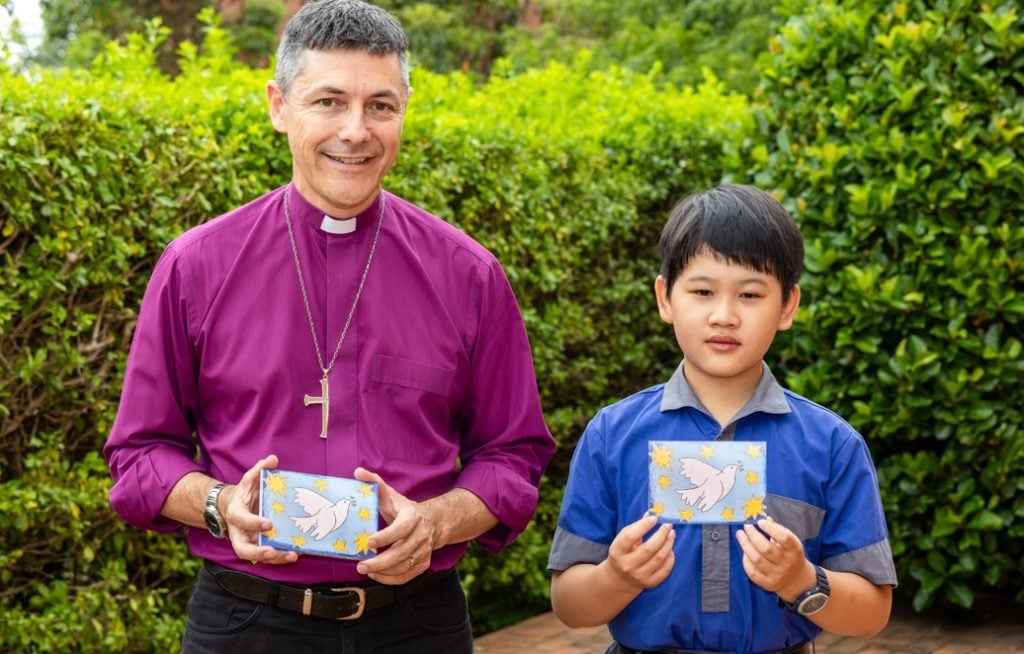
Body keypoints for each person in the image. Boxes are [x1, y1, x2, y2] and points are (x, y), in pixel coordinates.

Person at [103, 1, 554, 652]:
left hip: (417, 623)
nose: (355, 130)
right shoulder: (196, 266)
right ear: (279, 105)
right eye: (328, 102)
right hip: (245, 622)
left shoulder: (468, 274)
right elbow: (138, 455)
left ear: (404, 110)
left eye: (380, 106)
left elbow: (513, 457)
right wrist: (219, 504)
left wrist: (435, 521)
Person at [547, 184, 897, 653]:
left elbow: (873, 611)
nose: (724, 315)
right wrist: (616, 577)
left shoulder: (832, 443)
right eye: (703, 291)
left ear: (788, 305)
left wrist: (801, 580)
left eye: (751, 294)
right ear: (665, 298)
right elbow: (569, 604)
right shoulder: (612, 435)